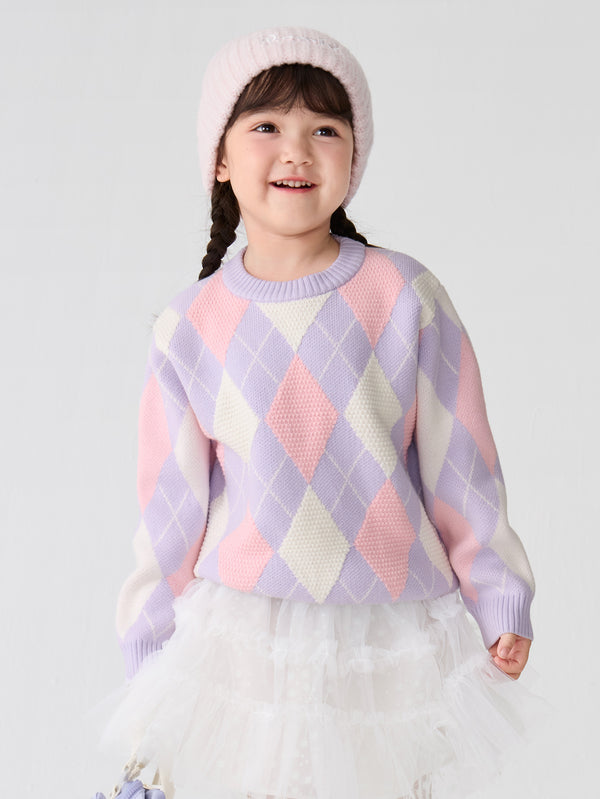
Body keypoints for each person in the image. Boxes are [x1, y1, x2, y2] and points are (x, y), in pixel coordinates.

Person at [101, 25, 540, 799]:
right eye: (266, 126)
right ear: (220, 157)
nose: (297, 151)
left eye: (325, 130)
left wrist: (498, 589)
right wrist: (149, 648)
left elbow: (461, 462)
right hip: (245, 645)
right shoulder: (191, 324)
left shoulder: (404, 295)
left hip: (387, 642)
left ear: (354, 157)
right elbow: (170, 507)